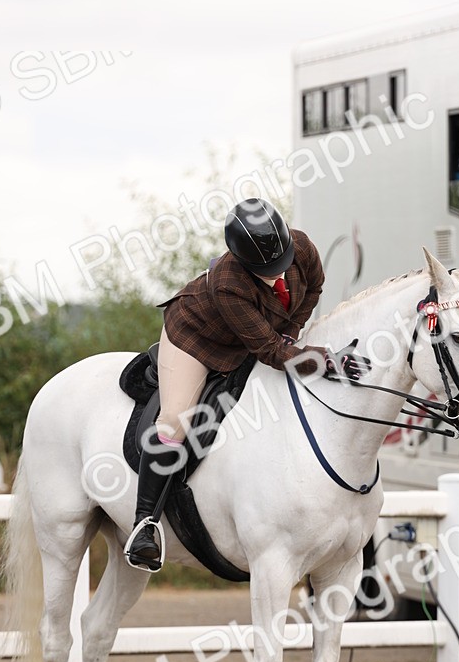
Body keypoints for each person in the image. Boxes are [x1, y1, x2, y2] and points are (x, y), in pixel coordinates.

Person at [124, 197, 370, 569]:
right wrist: (326, 360)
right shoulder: (228, 282)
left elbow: (314, 290)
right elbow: (269, 351)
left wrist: (291, 332)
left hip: (256, 335)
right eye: (265, 270)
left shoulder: (301, 248)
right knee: (176, 422)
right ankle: (145, 525)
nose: (276, 275)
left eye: (280, 264)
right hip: (197, 338)